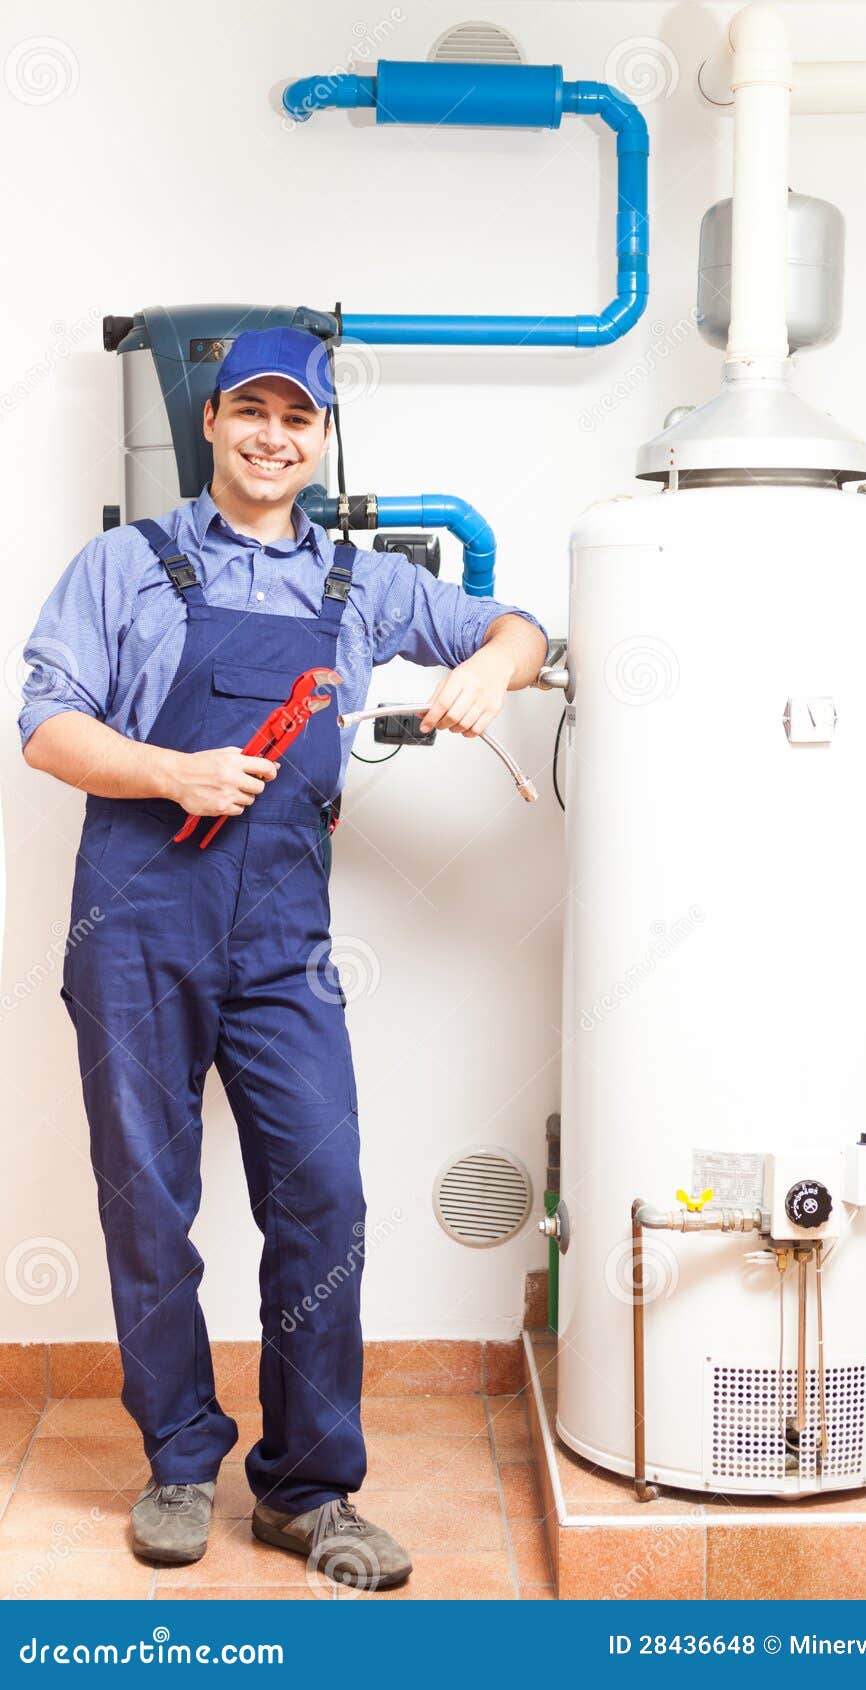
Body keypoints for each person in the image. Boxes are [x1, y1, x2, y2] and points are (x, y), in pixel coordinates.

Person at [18, 326, 549, 1588]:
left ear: (320, 438)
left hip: (282, 945)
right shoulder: (126, 564)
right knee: (150, 1204)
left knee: (325, 1199)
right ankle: (179, 1462)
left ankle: (308, 1491)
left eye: (297, 417)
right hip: (135, 924)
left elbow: (526, 626)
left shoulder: (362, 584)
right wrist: (170, 771)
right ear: (211, 423)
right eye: (249, 411)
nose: (271, 435)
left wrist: (487, 669)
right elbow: (46, 724)